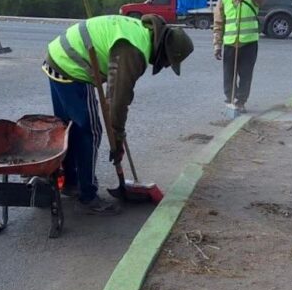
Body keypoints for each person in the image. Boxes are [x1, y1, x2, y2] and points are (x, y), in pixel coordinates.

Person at [42, 14, 194, 215]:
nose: (163, 65)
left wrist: (117, 135)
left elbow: (113, 95)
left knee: (69, 129)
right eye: (167, 61)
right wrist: (117, 137)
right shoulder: (133, 51)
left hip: (57, 56)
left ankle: (71, 182)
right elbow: (117, 100)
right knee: (90, 131)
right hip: (70, 65)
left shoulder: (142, 30)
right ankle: (87, 195)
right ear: (163, 52)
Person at [212, 0, 267, 112]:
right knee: (228, 76)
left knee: (246, 75)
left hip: (249, 43)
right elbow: (218, 24)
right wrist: (217, 45)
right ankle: (230, 99)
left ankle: (241, 101)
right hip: (230, 44)